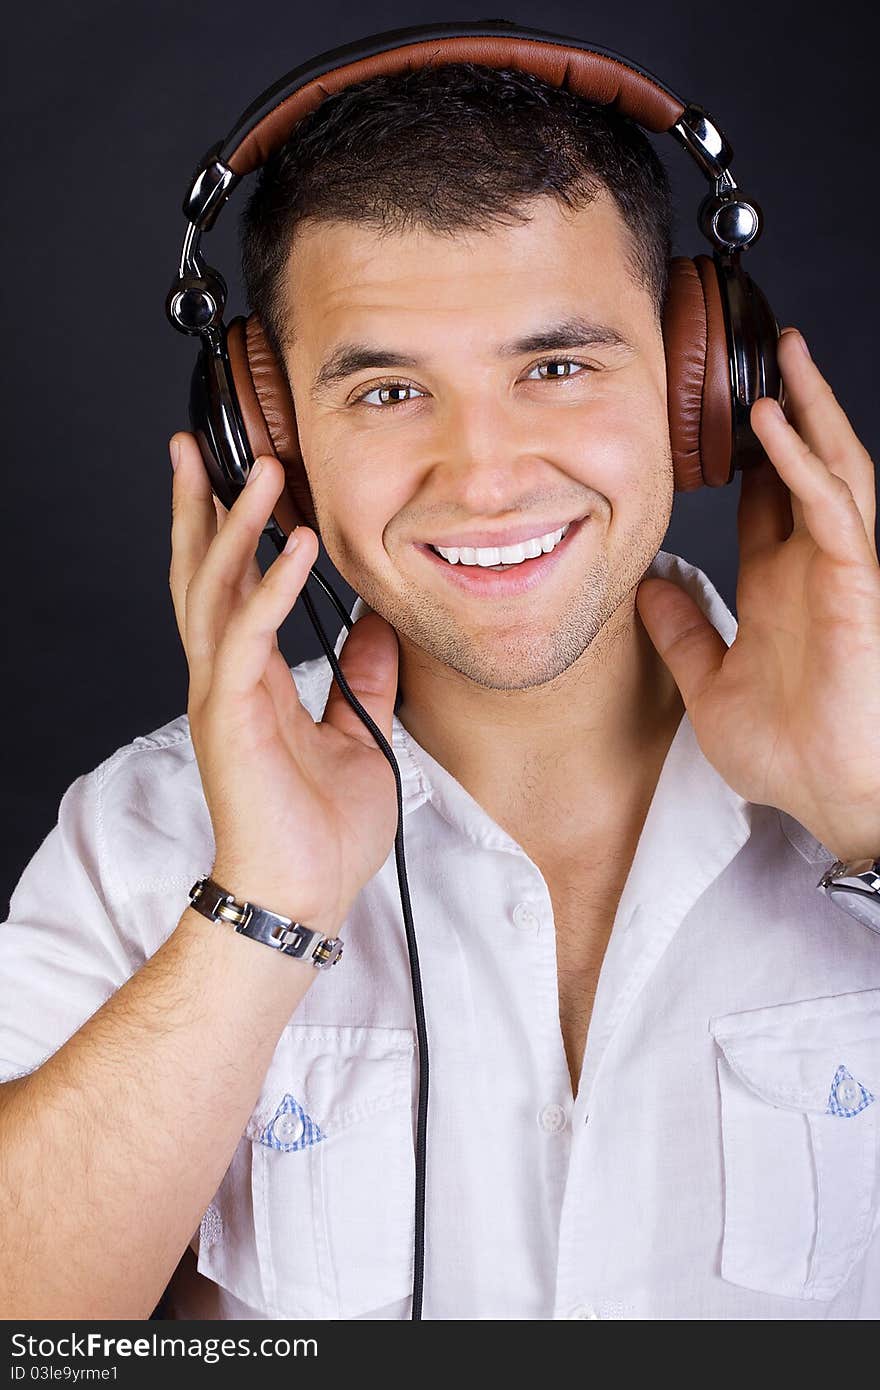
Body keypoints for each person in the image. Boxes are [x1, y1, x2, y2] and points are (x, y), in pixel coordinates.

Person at [1, 63, 879, 1322]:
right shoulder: (142, 834)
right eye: (389, 391)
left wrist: (868, 816)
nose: (483, 477)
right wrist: (259, 908)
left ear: (705, 389)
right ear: (274, 444)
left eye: (559, 367)